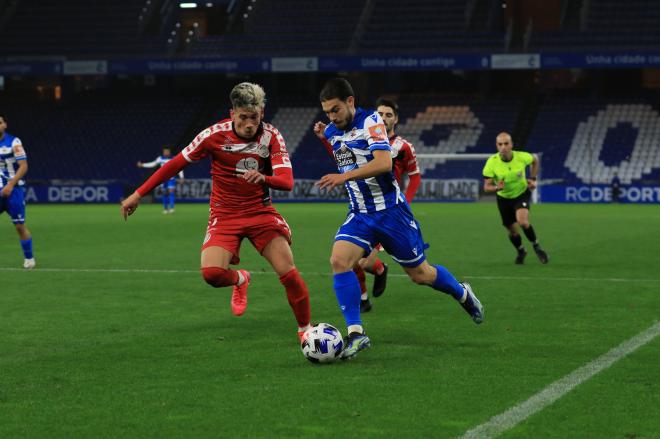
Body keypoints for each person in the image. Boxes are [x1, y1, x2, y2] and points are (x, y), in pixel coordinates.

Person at [121, 83, 312, 342]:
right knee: (212, 275)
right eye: (242, 117)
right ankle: (241, 279)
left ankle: (305, 331)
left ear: (262, 113)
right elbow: (175, 164)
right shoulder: (213, 135)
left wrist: (264, 178)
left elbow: (287, 182)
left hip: (259, 212)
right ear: (232, 113)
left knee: (287, 272)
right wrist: (138, 194)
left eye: (253, 118)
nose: (248, 124)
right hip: (225, 214)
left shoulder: (271, 136)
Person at [316, 78, 483, 360]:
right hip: (359, 213)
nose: (332, 117)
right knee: (339, 261)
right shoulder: (333, 129)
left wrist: (342, 176)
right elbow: (344, 152)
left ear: (350, 102)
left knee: (421, 275)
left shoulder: (372, 122)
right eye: (327, 113)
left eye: (335, 110)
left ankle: (462, 293)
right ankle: (357, 334)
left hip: (392, 213)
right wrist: (325, 135)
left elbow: (383, 163)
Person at [313, 97, 421, 312]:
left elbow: (414, 176)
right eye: (380, 113)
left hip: (391, 210)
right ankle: (363, 299)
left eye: (388, 114)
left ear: (396, 119)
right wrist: (327, 139)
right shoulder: (360, 135)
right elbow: (344, 160)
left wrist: (405, 202)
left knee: (372, 265)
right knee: (349, 260)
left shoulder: (402, 146)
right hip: (363, 208)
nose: (383, 117)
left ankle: (380, 271)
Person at [482, 132, 549, 265]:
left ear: (511, 144)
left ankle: (537, 246)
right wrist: (497, 188)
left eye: (506, 143)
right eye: (500, 144)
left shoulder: (521, 157)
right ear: (496, 146)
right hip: (503, 198)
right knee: (512, 231)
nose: (503, 147)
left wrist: (533, 178)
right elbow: (486, 187)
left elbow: (535, 160)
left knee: (523, 221)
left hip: (521, 194)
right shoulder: (491, 162)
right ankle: (521, 251)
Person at [0, 114, 35, 269]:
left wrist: (10, 185)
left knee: (19, 226)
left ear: (5, 125)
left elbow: (23, 166)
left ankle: (29, 258)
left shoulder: (14, 142)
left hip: (14, 190)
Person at [137, 147, 184, 214]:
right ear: (163, 152)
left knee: (171, 192)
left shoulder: (174, 158)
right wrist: (142, 165)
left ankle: (172, 208)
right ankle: (165, 209)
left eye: (167, 151)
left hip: (171, 178)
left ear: (169, 152)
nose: (166, 152)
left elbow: (179, 167)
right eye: (165, 151)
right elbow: (153, 164)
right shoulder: (160, 158)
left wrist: (181, 177)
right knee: (164, 193)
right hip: (163, 178)